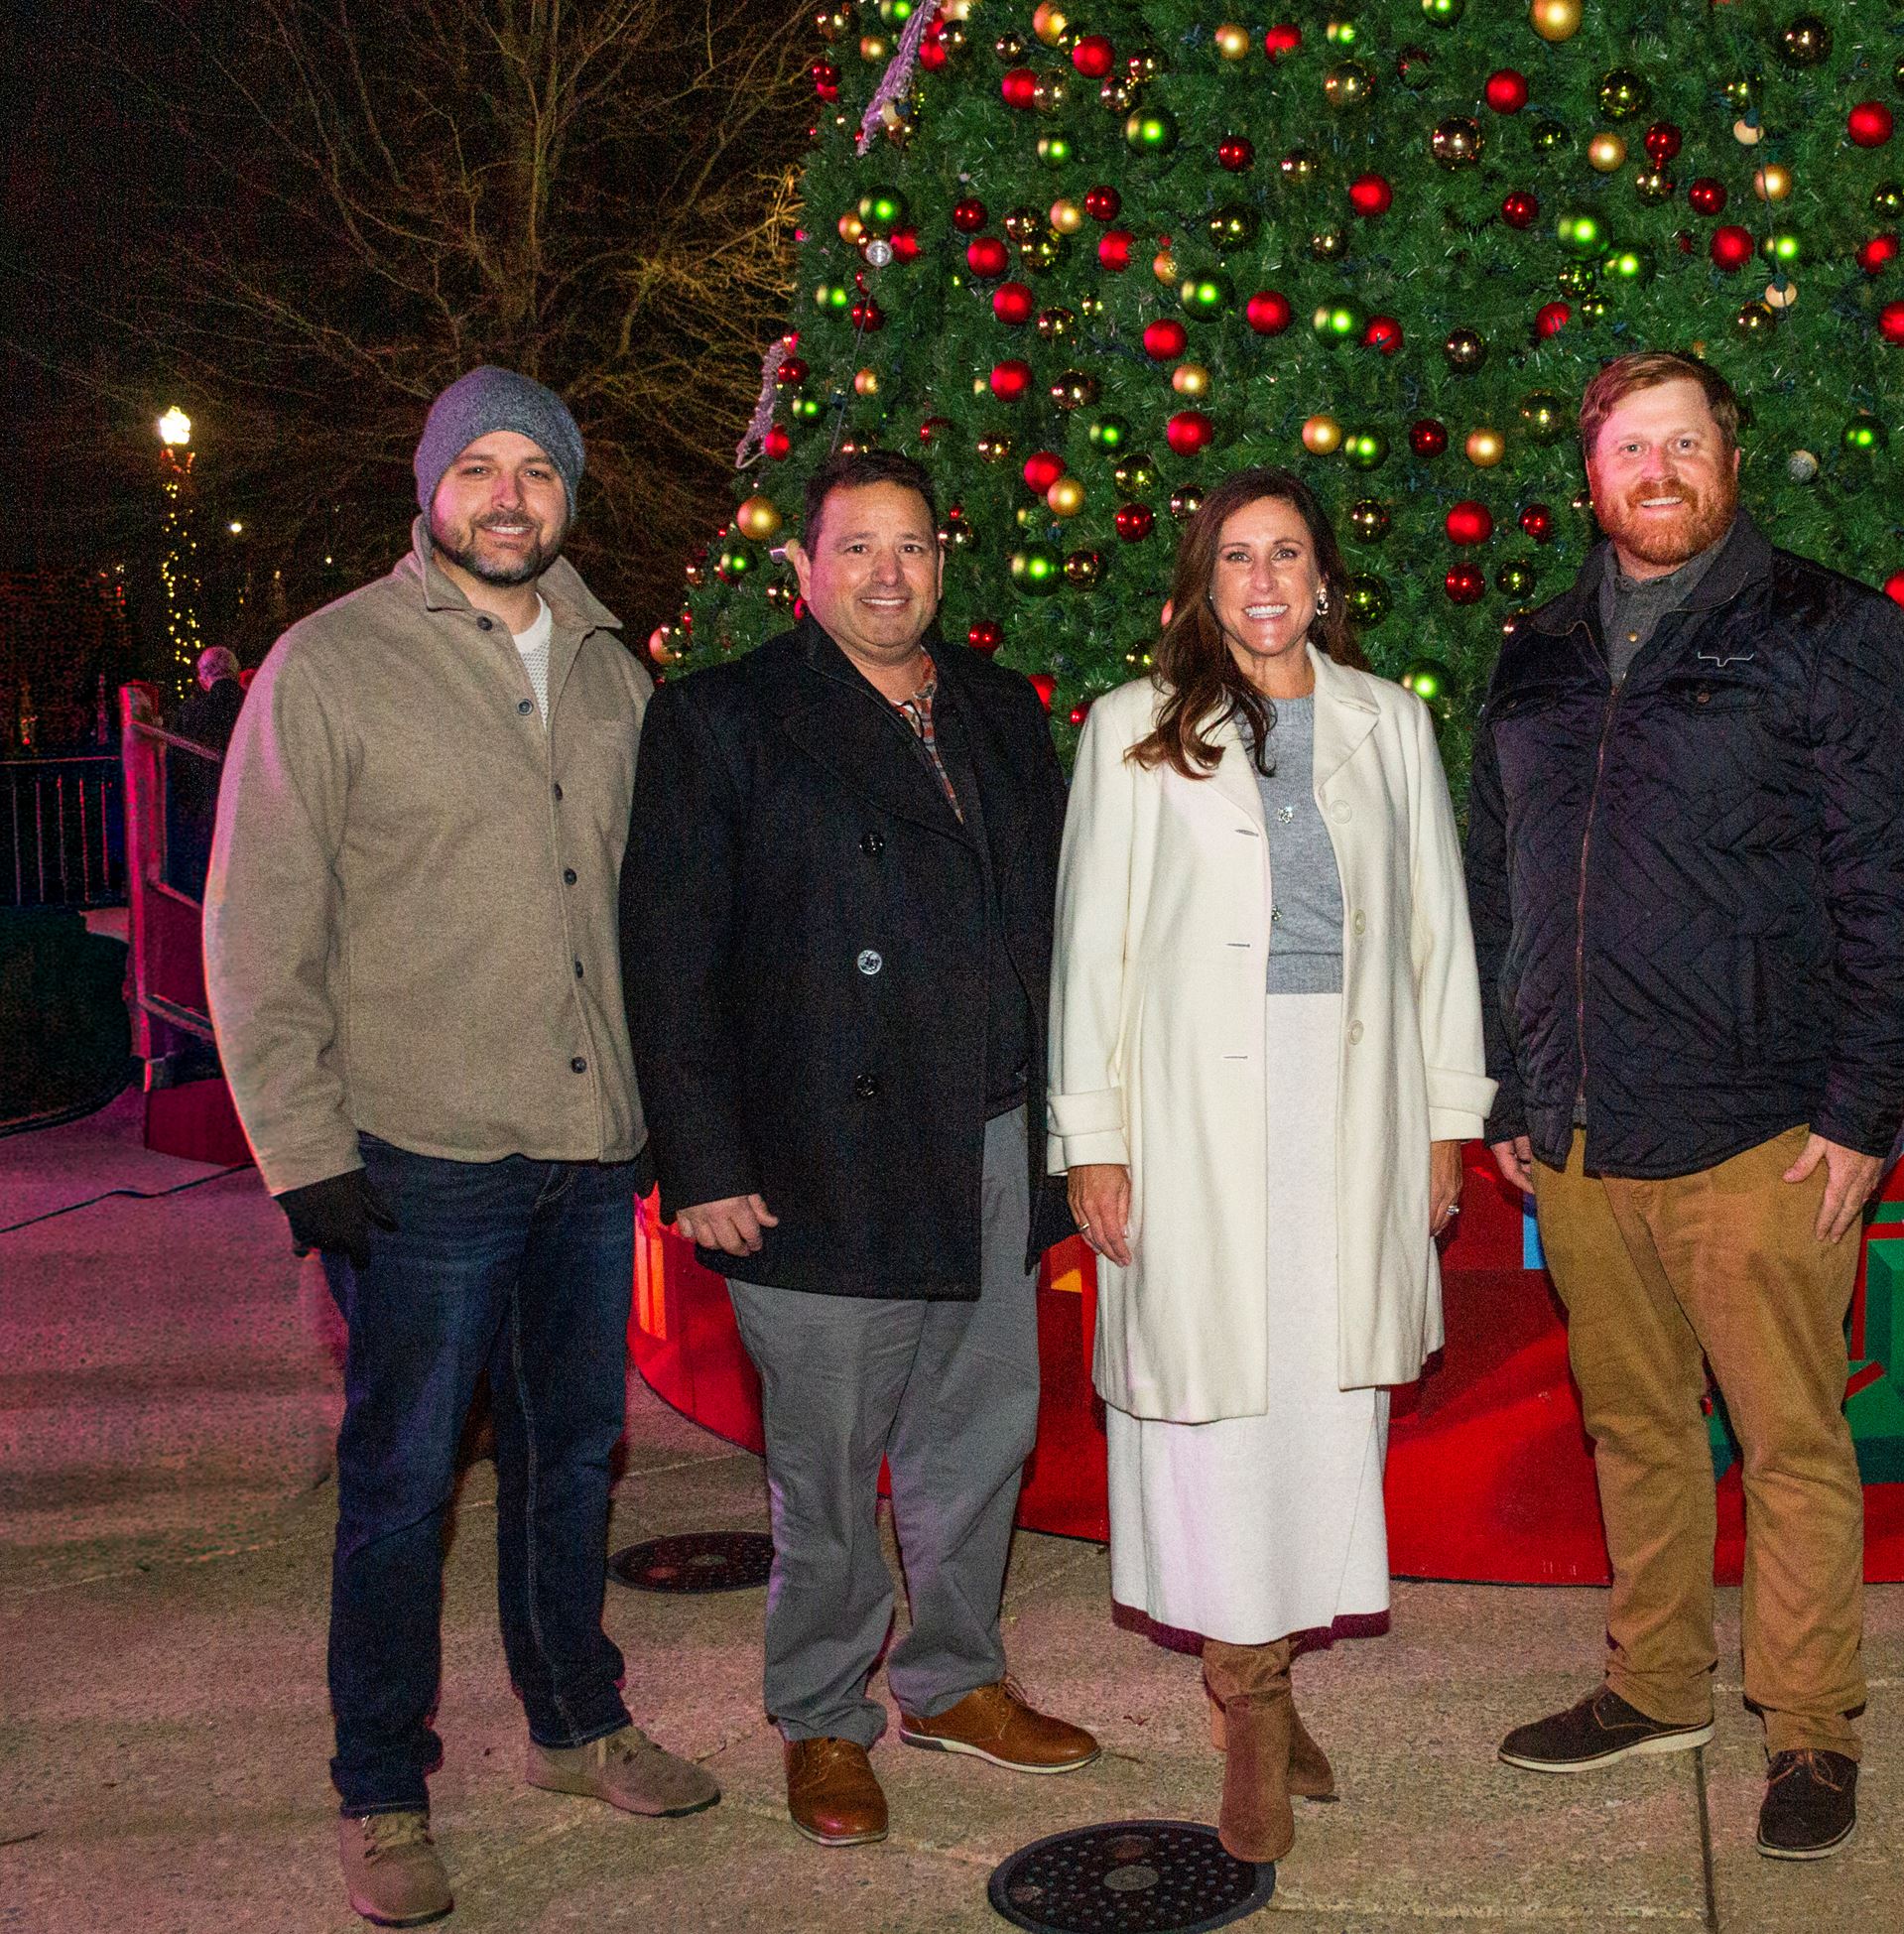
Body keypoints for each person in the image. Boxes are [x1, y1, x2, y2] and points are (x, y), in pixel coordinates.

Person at [205, 366, 715, 1930]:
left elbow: (656, 918)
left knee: (572, 1458)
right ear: (430, 489)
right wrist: (304, 1156)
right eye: (478, 468)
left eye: (537, 473)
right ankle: (380, 1783)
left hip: (584, 1150)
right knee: (402, 1480)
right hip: (417, 1159)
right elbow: (257, 930)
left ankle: (575, 1720)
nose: (508, 497)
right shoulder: (333, 666)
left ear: (569, 498)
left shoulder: (619, 674)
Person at [1467, 352, 1904, 1859]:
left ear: (1728, 463)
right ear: (1591, 476)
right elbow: (1501, 888)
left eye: (1685, 443)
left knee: (1793, 1439)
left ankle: (1809, 1728)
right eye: (1631, 447)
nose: (1658, 470)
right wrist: (1510, 1080)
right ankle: (1656, 1680)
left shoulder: (1827, 630)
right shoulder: (1535, 651)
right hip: (1584, 1135)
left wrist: (1868, 1106)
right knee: (1635, 1428)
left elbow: (1897, 875)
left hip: (1763, 1131)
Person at [619, 449, 1097, 1853]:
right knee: (827, 1465)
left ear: (943, 565)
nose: (889, 573)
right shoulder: (725, 719)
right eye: (857, 548)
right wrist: (700, 1158)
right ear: (806, 569)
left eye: (913, 548)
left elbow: (1057, 935)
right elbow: (669, 954)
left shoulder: (1004, 713)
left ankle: (954, 1680)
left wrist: (1070, 1140)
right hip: (814, 1153)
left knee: (979, 1436)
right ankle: (825, 1715)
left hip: (994, 1135)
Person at [1050, 466, 1493, 1864]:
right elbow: (1090, 954)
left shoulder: (1391, 724)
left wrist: (1443, 1123)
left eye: (1285, 554)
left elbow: (1435, 940)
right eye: (1236, 556)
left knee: (1319, 1408)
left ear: (1322, 580)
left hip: (1349, 1107)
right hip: (1187, 1118)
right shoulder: (1134, 732)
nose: (1262, 579)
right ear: (1201, 582)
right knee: (1209, 1417)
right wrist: (1095, 1141)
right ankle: (1247, 1701)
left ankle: (1275, 1668)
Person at [165, 644, 244, 901]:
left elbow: (176, 760)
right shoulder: (254, 703)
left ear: (202, 679)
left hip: (203, 806)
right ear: (236, 672)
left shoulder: (192, 711)